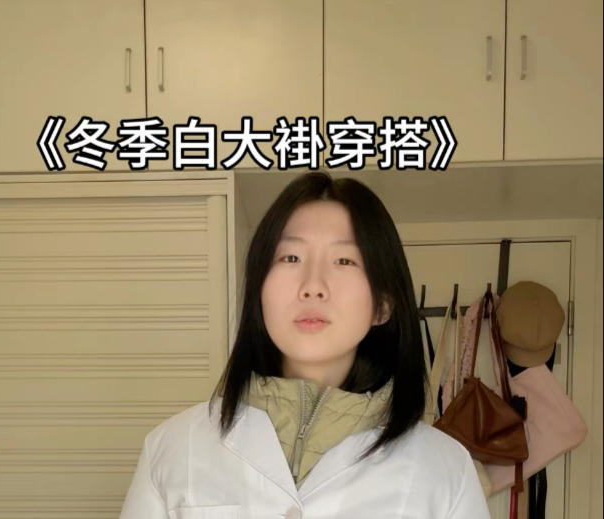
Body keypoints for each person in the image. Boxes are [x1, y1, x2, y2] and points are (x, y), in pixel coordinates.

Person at [118, 171, 491, 518]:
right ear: (259, 291)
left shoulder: (445, 472)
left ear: (382, 304)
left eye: (344, 260)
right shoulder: (173, 449)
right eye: (291, 257)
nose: (313, 285)